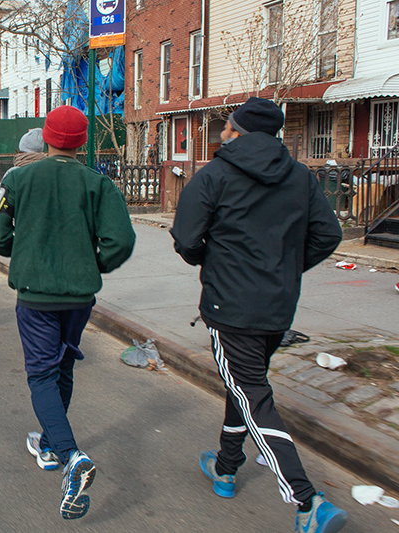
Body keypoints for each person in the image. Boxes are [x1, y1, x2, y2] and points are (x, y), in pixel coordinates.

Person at [170, 97, 347, 533]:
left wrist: (212, 262)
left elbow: (187, 237)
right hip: (277, 305)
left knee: (252, 394)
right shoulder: (301, 177)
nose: (223, 133)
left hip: (231, 306)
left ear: (238, 131)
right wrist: (286, 267)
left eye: (227, 126)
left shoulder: (213, 175)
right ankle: (226, 467)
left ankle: (307, 501)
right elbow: (329, 233)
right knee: (247, 387)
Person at [0, 105, 135, 520]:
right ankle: (50, 444)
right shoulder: (99, 183)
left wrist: (27, 252)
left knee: (41, 374)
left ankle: (70, 456)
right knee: (64, 367)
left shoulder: (16, 179)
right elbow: (120, 241)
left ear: (47, 138)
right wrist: (92, 264)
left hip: (36, 295)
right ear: (83, 142)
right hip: (79, 296)